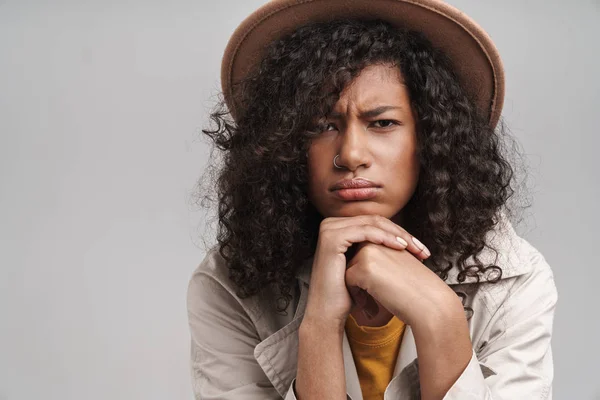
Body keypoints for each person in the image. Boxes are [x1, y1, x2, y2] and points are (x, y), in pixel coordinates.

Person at [186, 0, 558, 399]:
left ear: (432, 137)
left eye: (382, 123)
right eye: (322, 125)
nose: (349, 155)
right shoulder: (229, 282)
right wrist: (320, 325)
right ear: (285, 144)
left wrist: (440, 317)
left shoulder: (513, 279)